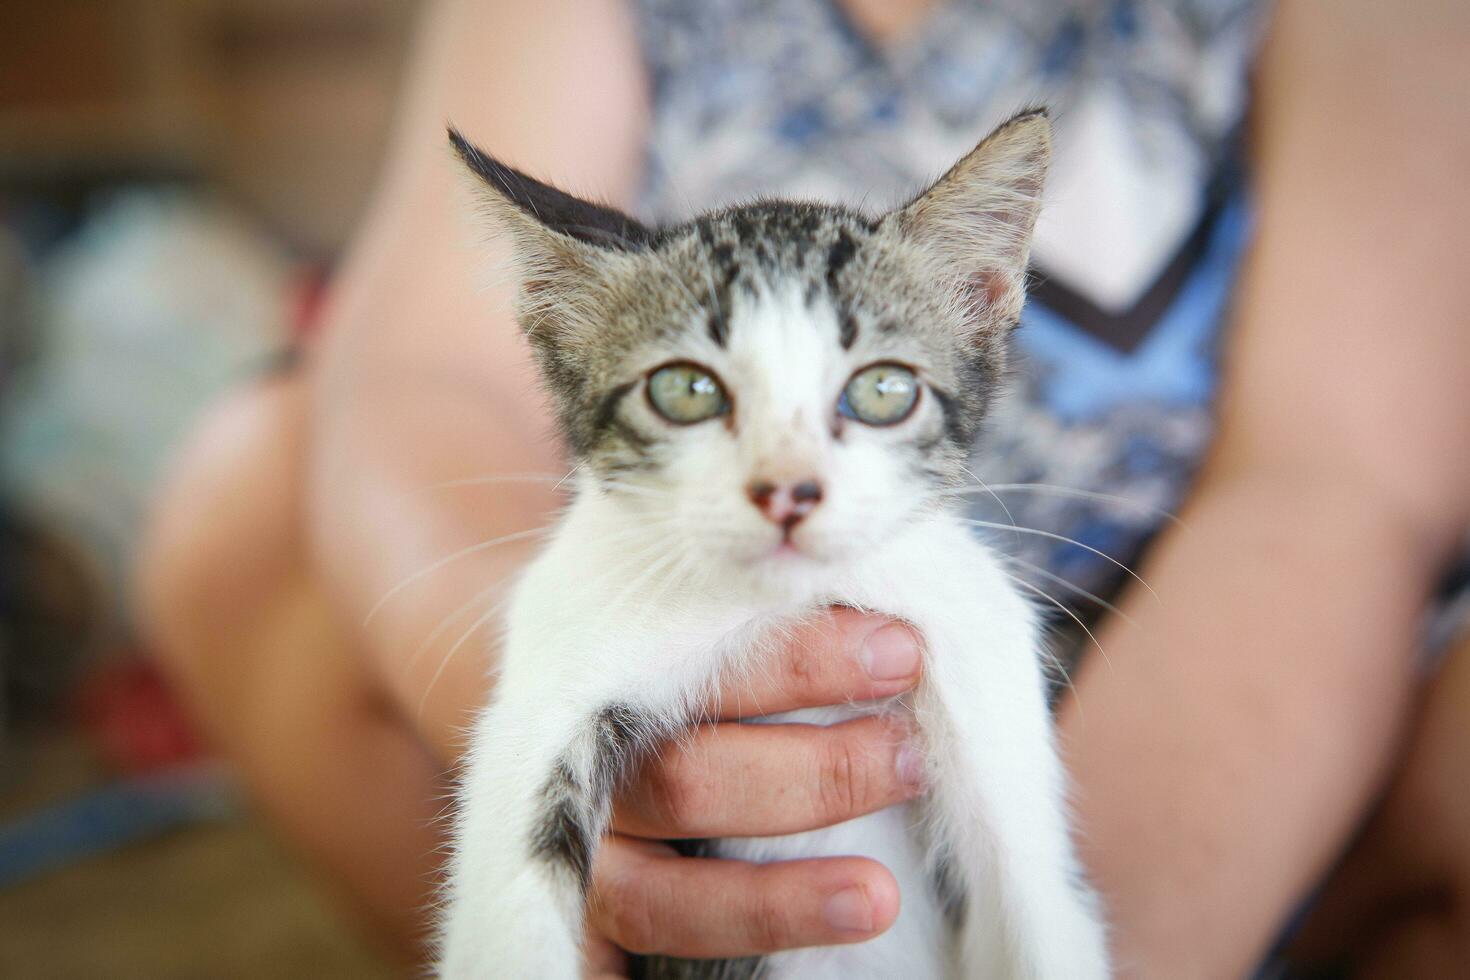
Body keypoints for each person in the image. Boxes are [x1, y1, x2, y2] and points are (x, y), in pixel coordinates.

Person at [137, 0, 1470, 975]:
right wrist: (569, 727)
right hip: (680, 630)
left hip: (1258, 717)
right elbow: (421, 371)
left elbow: (1330, 484)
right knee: (247, 498)